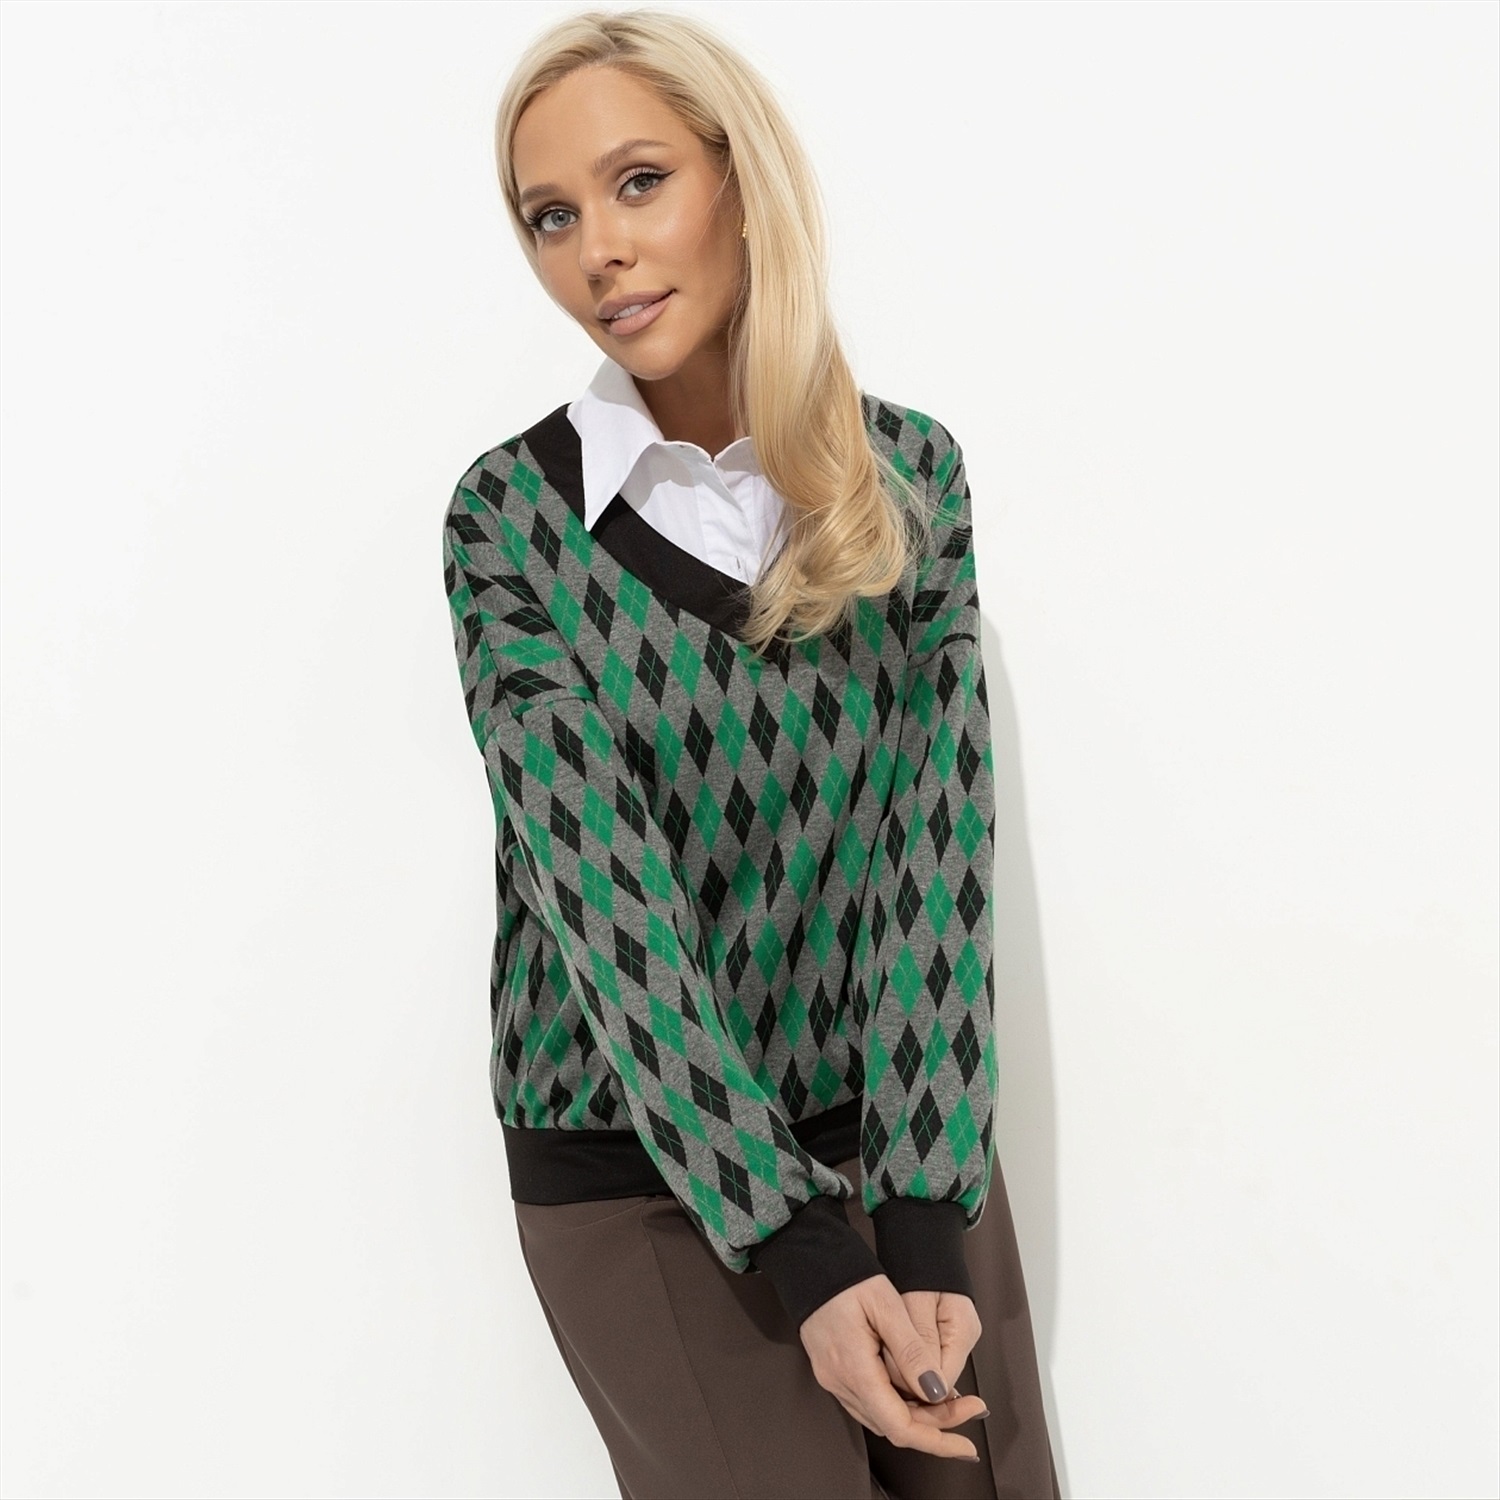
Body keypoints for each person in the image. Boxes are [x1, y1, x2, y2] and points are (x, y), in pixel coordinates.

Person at [441, 8, 1060, 1497]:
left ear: (739, 179)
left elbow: (937, 855)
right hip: (645, 1173)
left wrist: (921, 1211)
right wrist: (794, 1238)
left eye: (639, 182)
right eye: (552, 215)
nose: (599, 250)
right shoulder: (510, 524)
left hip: (899, 1139)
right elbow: (607, 904)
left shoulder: (908, 477)